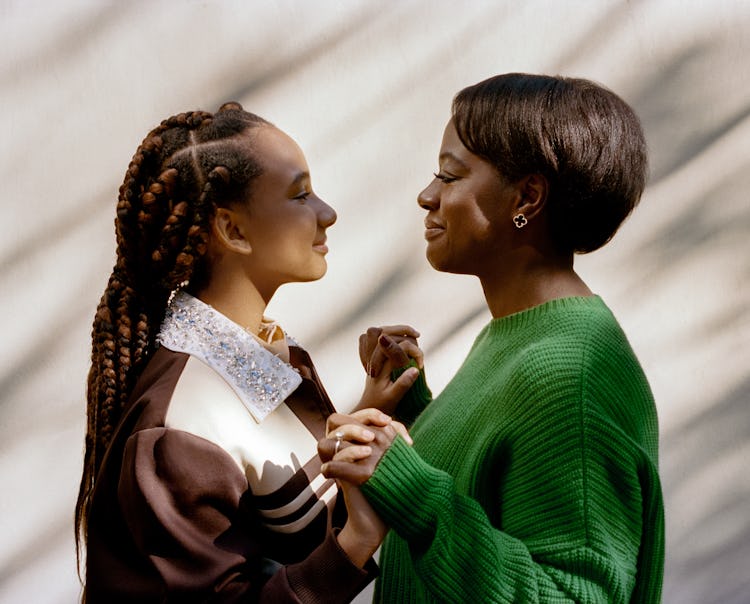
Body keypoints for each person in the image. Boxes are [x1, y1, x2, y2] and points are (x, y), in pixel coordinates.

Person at [320, 73, 665, 603]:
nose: (426, 196)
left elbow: (573, 596)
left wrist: (415, 492)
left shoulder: (569, 375)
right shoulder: (519, 333)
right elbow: (493, 499)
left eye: (450, 175)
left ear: (527, 196)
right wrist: (413, 414)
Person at [74, 103, 421, 603]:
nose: (328, 212)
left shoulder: (269, 353)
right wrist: (355, 546)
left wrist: (372, 412)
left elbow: (298, 520)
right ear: (233, 230)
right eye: (300, 195)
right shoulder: (176, 431)